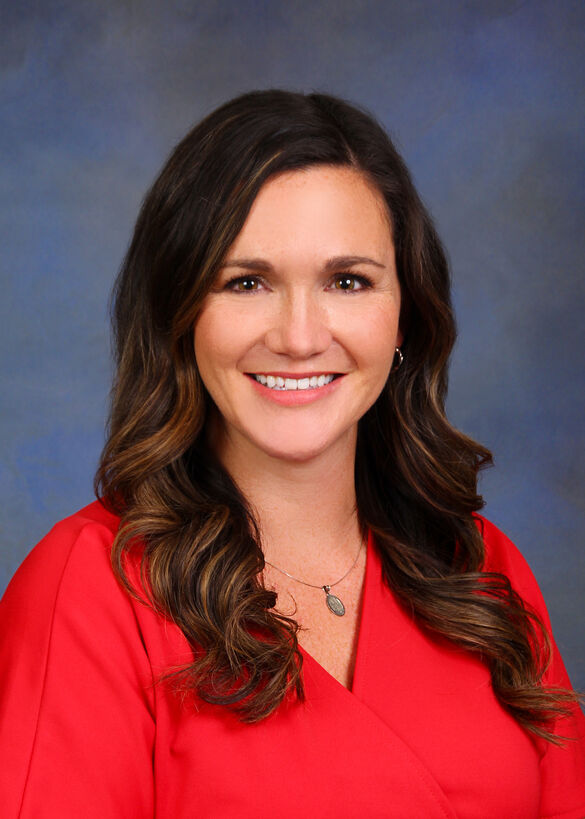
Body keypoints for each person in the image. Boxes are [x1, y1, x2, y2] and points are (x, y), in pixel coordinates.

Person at [0, 90, 584, 818]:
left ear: (404, 311)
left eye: (348, 281)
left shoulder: (480, 569)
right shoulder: (90, 588)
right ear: (181, 315)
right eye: (247, 282)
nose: (300, 335)